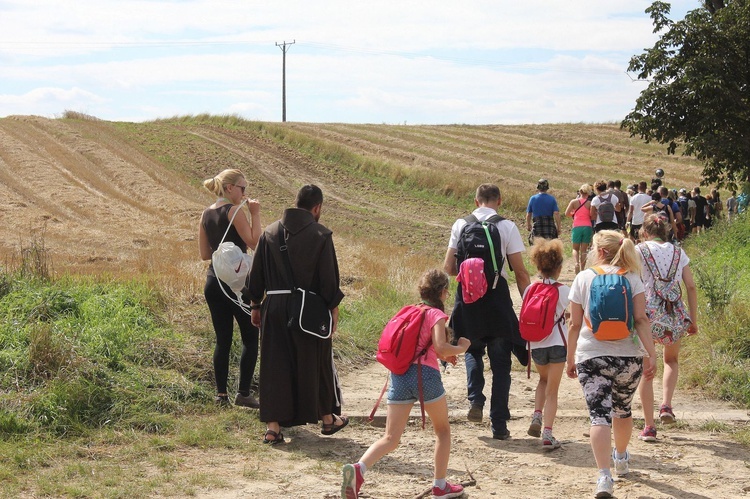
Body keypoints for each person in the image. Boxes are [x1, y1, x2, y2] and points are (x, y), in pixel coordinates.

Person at [341, 270, 471, 499]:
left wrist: (442, 355)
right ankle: (440, 486)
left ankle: (358, 469)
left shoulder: (411, 310)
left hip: (400, 376)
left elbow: (421, 346)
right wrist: (461, 348)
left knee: (390, 437)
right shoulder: (436, 315)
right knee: (442, 431)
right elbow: (440, 346)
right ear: (442, 293)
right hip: (426, 377)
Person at [247, 185, 347, 444]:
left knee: (274, 367)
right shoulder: (321, 235)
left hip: (274, 306)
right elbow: (328, 281)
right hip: (309, 309)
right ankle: (327, 420)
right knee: (317, 361)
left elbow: (255, 275)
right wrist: (333, 308)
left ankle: (273, 428)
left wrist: (255, 305)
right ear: (317, 208)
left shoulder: (269, 233)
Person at [566, 230, 657, 499]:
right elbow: (640, 320)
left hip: (592, 355)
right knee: (622, 410)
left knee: (598, 415)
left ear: (601, 251)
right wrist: (651, 354)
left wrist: (571, 357)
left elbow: (573, 323)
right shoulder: (632, 277)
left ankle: (603, 476)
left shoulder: (584, 277)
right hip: (628, 357)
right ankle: (621, 457)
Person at [443, 183, 531, 440]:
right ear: (499, 201)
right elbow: (520, 271)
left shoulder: (461, 224)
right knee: (501, 363)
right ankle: (500, 426)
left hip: (468, 300)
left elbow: (449, 267)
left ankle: (475, 401)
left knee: (471, 349)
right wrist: (528, 303)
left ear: (476, 200)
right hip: (497, 298)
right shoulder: (506, 226)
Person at [198, 169, 262, 407]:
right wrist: (255, 214)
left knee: (222, 339)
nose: (245, 193)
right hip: (237, 286)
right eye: (242, 188)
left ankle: (221, 395)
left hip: (213, 282)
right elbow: (255, 242)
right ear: (229, 188)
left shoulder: (206, 213)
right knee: (250, 336)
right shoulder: (234, 211)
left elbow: (205, 254)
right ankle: (243, 393)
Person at [636, 214, 699, 442]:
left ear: (644, 232)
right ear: (667, 232)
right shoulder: (678, 252)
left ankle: (649, 426)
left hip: (646, 314)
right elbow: (690, 286)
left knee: (647, 368)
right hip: (673, 311)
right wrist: (692, 319)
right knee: (670, 360)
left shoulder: (639, 250)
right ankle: (666, 406)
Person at [524, 238, 570, 450]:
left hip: (535, 344)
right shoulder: (563, 291)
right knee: (553, 389)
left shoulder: (530, 290)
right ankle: (548, 433)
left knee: (542, 381)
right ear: (559, 267)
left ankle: (536, 415)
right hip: (558, 343)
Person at [564, 184, 593, 274]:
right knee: (584, 249)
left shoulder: (574, 202)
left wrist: (573, 214)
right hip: (587, 226)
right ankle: (583, 269)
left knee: (575, 248)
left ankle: (576, 263)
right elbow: (591, 216)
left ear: (580, 192)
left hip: (577, 226)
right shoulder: (590, 203)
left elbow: (566, 213)